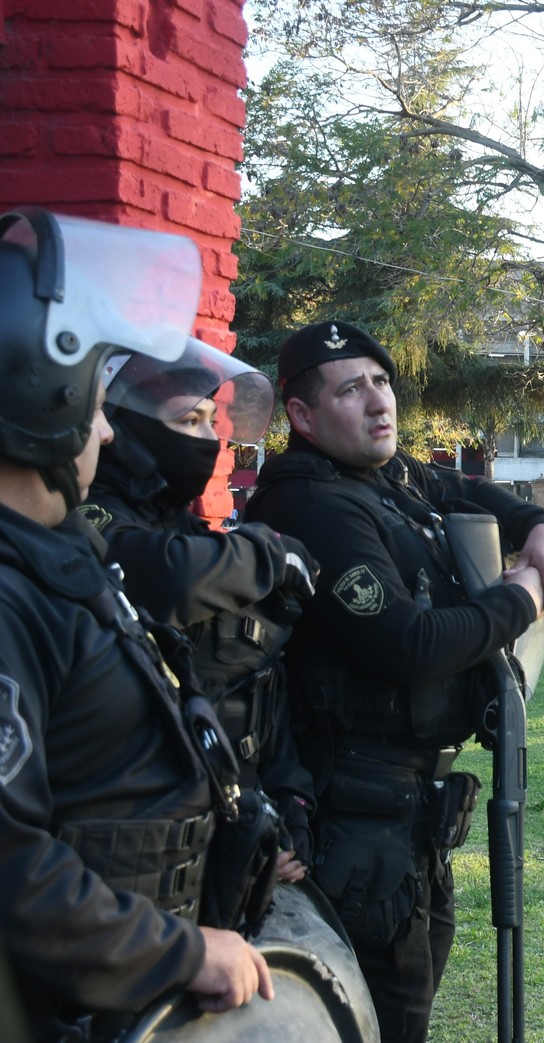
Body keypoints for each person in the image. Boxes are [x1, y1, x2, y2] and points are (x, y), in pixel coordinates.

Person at [243, 318, 544, 1043]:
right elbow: (406, 643)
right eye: (350, 389)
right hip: (350, 816)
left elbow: (472, 491)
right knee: (380, 1019)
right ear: (302, 415)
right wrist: (520, 597)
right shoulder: (310, 501)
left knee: (408, 1002)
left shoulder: (388, 477)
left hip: (408, 816)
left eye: (381, 382)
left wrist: (541, 525)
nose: (377, 402)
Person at [0, 209, 272, 1040]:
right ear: (45, 399)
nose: (110, 428)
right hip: (73, 1004)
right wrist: (178, 952)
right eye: (94, 402)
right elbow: (9, 861)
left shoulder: (52, 559)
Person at [83, 340, 320, 892]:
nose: (210, 438)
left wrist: (288, 809)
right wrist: (267, 553)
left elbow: (256, 688)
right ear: (125, 427)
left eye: (214, 420)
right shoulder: (87, 515)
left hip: (227, 842)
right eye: (189, 419)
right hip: (129, 858)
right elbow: (160, 577)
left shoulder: (191, 535)